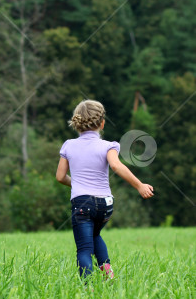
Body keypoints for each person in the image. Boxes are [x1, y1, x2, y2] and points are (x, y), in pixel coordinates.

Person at [55, 100, 154, 281]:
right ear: (102, 123)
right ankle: (108, 274)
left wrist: (77, 184)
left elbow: (60, 176)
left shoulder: (68, 145)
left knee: (84, 249)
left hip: (82, 204)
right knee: (95, 234)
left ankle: (88, 288)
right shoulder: (108, 145)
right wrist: (139, 185)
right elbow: (116, 166)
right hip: (105, 204)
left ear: (77, 123)